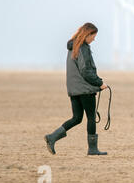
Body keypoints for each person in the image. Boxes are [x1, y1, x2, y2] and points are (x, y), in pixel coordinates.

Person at [44, 22, 108, 155]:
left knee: (77, 118)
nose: (94, 39)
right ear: (87, 34)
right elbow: (85, 71)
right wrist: (99, 83)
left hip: (74, 89)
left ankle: (52, 137)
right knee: (90, 117)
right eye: (93, 36)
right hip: (84, 89)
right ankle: (92, 149)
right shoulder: (82, 48)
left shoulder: (73, 46)